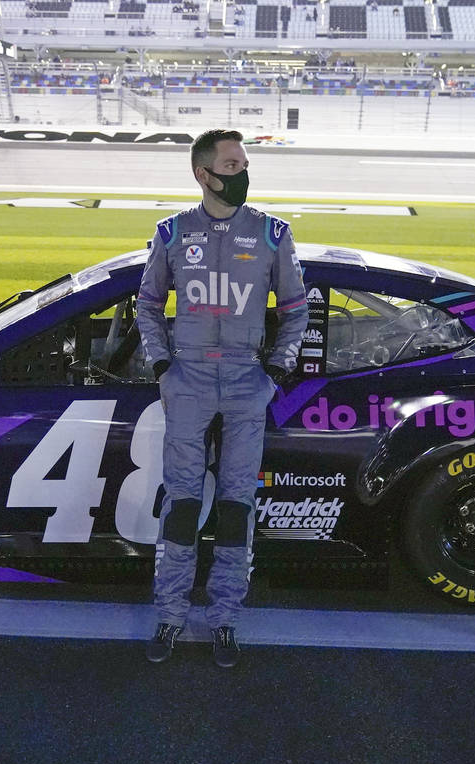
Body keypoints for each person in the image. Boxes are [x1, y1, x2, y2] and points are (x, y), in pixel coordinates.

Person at [137, 129, 308, 668]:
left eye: (244, 163)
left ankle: (225, 619)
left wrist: (274, 371)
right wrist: (163, 367)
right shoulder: (170, 233)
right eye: (232, 164)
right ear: (203, 174)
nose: (243, 173)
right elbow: (145, 306)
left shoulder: (273, 234)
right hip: (186, 379)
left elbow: (297, 311)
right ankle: (169, 615)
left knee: (236, 506)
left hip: (244, 382)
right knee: (183, 505)